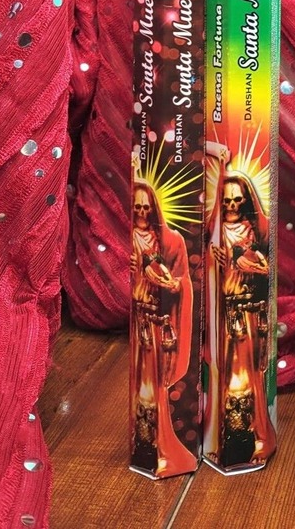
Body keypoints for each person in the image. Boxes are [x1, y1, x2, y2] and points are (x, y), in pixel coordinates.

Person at [204, 144, 276, 467]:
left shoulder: (254, 231)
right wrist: (213, 261)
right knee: (222, 374)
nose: (232, 206)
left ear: (245, 201)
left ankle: (255, 436)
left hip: (246, 316)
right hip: (222, 316)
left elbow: (266, 268)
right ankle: (220, 436)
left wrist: (238, 259)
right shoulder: (215, 231)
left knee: (249, 378)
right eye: (226, 200)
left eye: (237, 200)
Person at [129, 178, 194, 474]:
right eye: (137, 207)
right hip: (137, 324)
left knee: (154, 387)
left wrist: (170, 284)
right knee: (139, 388)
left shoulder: (169, 240)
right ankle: (142, 443)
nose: (142, 212)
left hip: (156, 326)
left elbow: (183, 282)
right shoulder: (128, 237)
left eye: (146, 207)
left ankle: (159, 444)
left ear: (154, 209)